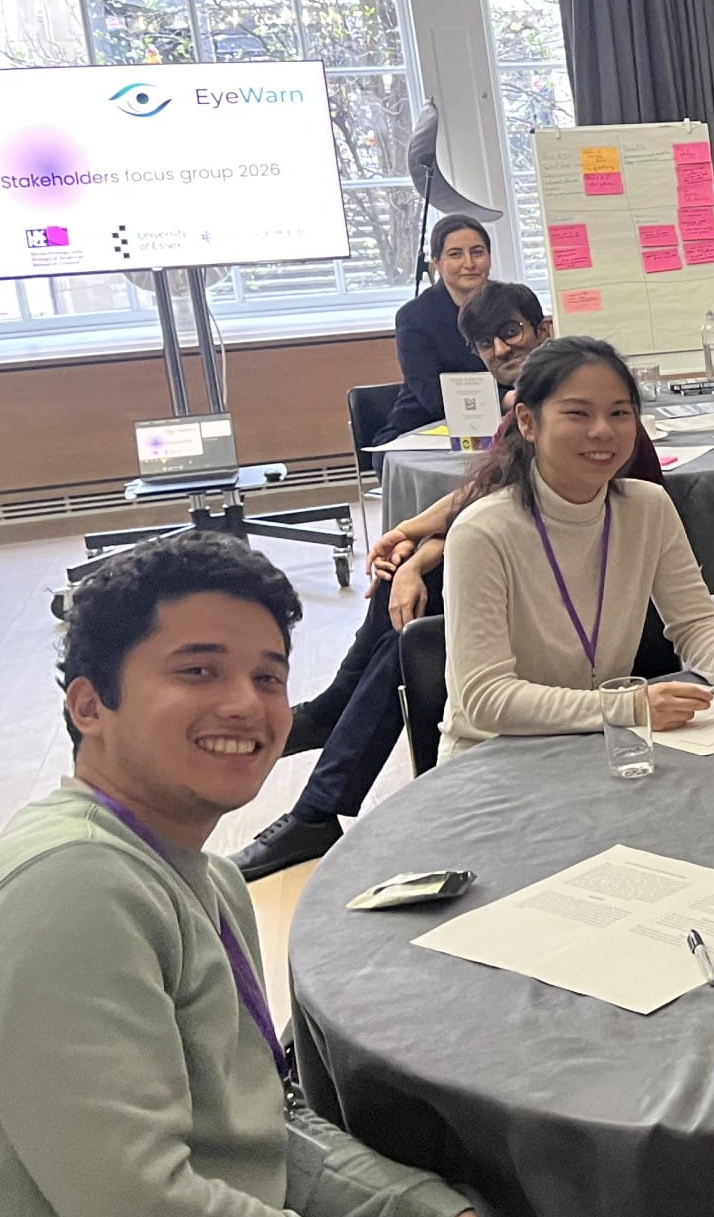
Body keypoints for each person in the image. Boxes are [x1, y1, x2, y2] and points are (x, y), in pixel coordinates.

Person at [0, 531, 630, 1217]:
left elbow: (269, 1128)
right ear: (89, 705)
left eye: (270, 676)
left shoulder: (196, 871)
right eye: (198, 671)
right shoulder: (67, 890)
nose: (246, 703)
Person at [234, 285, 667, 879]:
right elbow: (497, 494)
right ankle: (329, 738)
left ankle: (324, 771)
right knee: (401, 599)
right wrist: (411, 542)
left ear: (541, 329)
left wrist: (417, 556)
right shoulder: (529, 407)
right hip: (539, 566)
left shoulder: (581, 415)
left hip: (593, 588)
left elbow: (521, 515)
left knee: (413, 629)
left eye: (510, 333)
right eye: (484, 343)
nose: (498, 349)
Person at [441, 336, 714, 758]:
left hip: (606, 743)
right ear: (527, 421)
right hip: (496, 758)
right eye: (578, 413)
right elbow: (487, 699)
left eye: (620, 413)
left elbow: (694, 623)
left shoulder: (647, 507)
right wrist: (627, 706)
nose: (602, 431)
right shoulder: (483, 532)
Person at [378, 215, 494, 442]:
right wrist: (503, 400)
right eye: (455, 254)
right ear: (437, 263)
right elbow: (432, 397)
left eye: (478, 252)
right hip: (424, 426)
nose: (469, 263)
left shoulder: (511, 304)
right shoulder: (414, 317)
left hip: (503, 424)